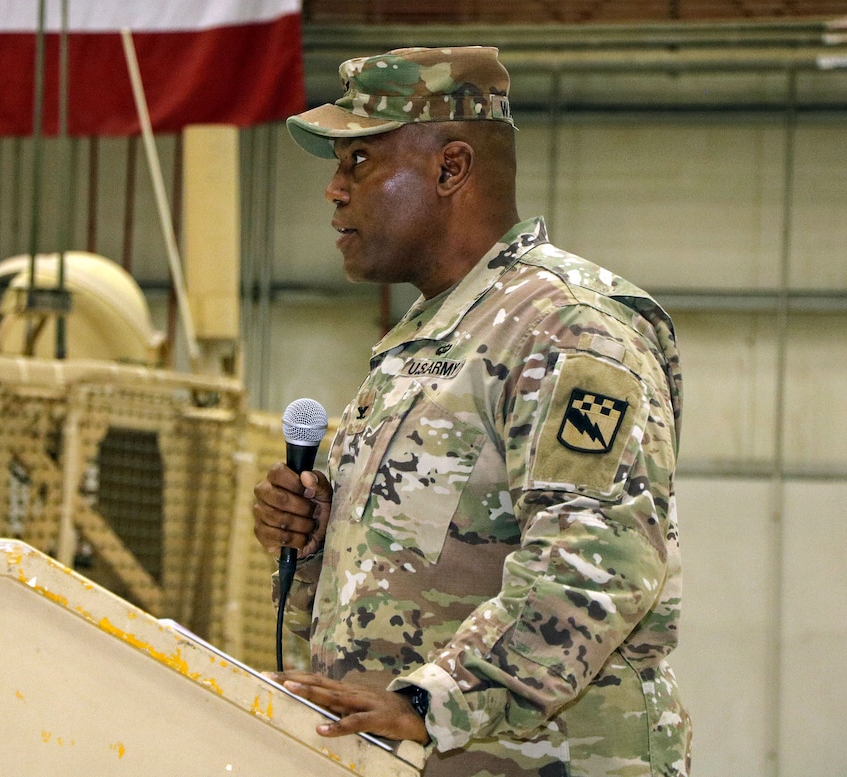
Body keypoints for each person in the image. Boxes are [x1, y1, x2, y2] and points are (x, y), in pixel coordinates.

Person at [252, 46, 693, 775]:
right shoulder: (423, 343)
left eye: (358, 162)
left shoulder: (568, 327)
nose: (333, 189)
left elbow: (598, 560)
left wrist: (433, 702)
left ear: (450, 168)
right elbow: (411, 575)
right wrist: (314, 537)